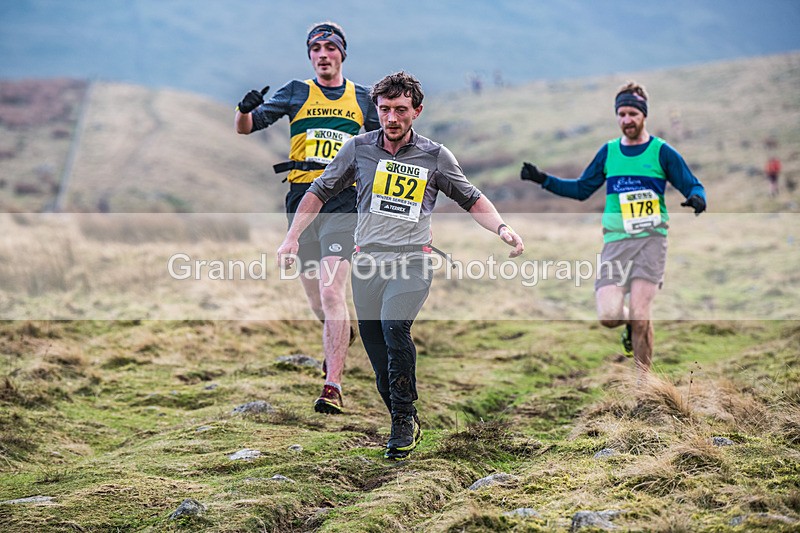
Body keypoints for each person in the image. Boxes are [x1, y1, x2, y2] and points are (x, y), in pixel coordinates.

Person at [277, 71, 524, 460]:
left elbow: (471, 198)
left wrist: (503, 228)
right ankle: (404, 415)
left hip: (413, 261)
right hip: (367, 263)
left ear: (417, 111)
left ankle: (402, 422)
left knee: (395, 328)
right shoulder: (358, 149)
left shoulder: (434, 155)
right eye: (385, 109)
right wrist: (292, 237)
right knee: (379, 361)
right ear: (377, 110)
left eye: (401, 110)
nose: (392, 118)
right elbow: (319, 189)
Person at [235, 21, 380, 415]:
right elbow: (246, 128)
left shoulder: (363, 99)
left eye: (329, 48)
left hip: (341, 200)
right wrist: (243, 110)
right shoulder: (296, 91)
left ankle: (332, 385)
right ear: (310, 56)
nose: (322, 55)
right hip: (301, 199)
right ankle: (340, 332)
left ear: (341, 54)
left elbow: (387, 145)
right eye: (315, 49)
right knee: (319, 301)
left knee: (333, 292)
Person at [520, 81, 706, 384]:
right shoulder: (609, 153)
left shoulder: (662, 152)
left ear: (643, 115)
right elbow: (581, 189)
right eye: (621, 114)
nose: (626, 120)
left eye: (632, 113)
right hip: (616, 243)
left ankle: (642, 386)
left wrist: (699, 198)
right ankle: (631, 327)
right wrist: (543, 179)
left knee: (641, 312)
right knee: (608, 315)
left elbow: (692, 184)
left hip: (651, 241)